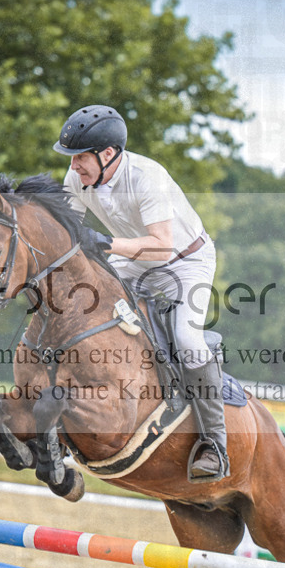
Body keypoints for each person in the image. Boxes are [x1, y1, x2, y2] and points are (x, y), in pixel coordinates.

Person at [53, 105, 227, 481]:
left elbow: (162, 248)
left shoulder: (148, 177)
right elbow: (67, 233)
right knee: (82, 305)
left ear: (108, 154)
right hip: (135, 259)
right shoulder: (77, 177)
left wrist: (106, 243)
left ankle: (215, 443)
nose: (74, 166)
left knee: (186, 337)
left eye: (80, 157)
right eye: (72, 158)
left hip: (184, 261)